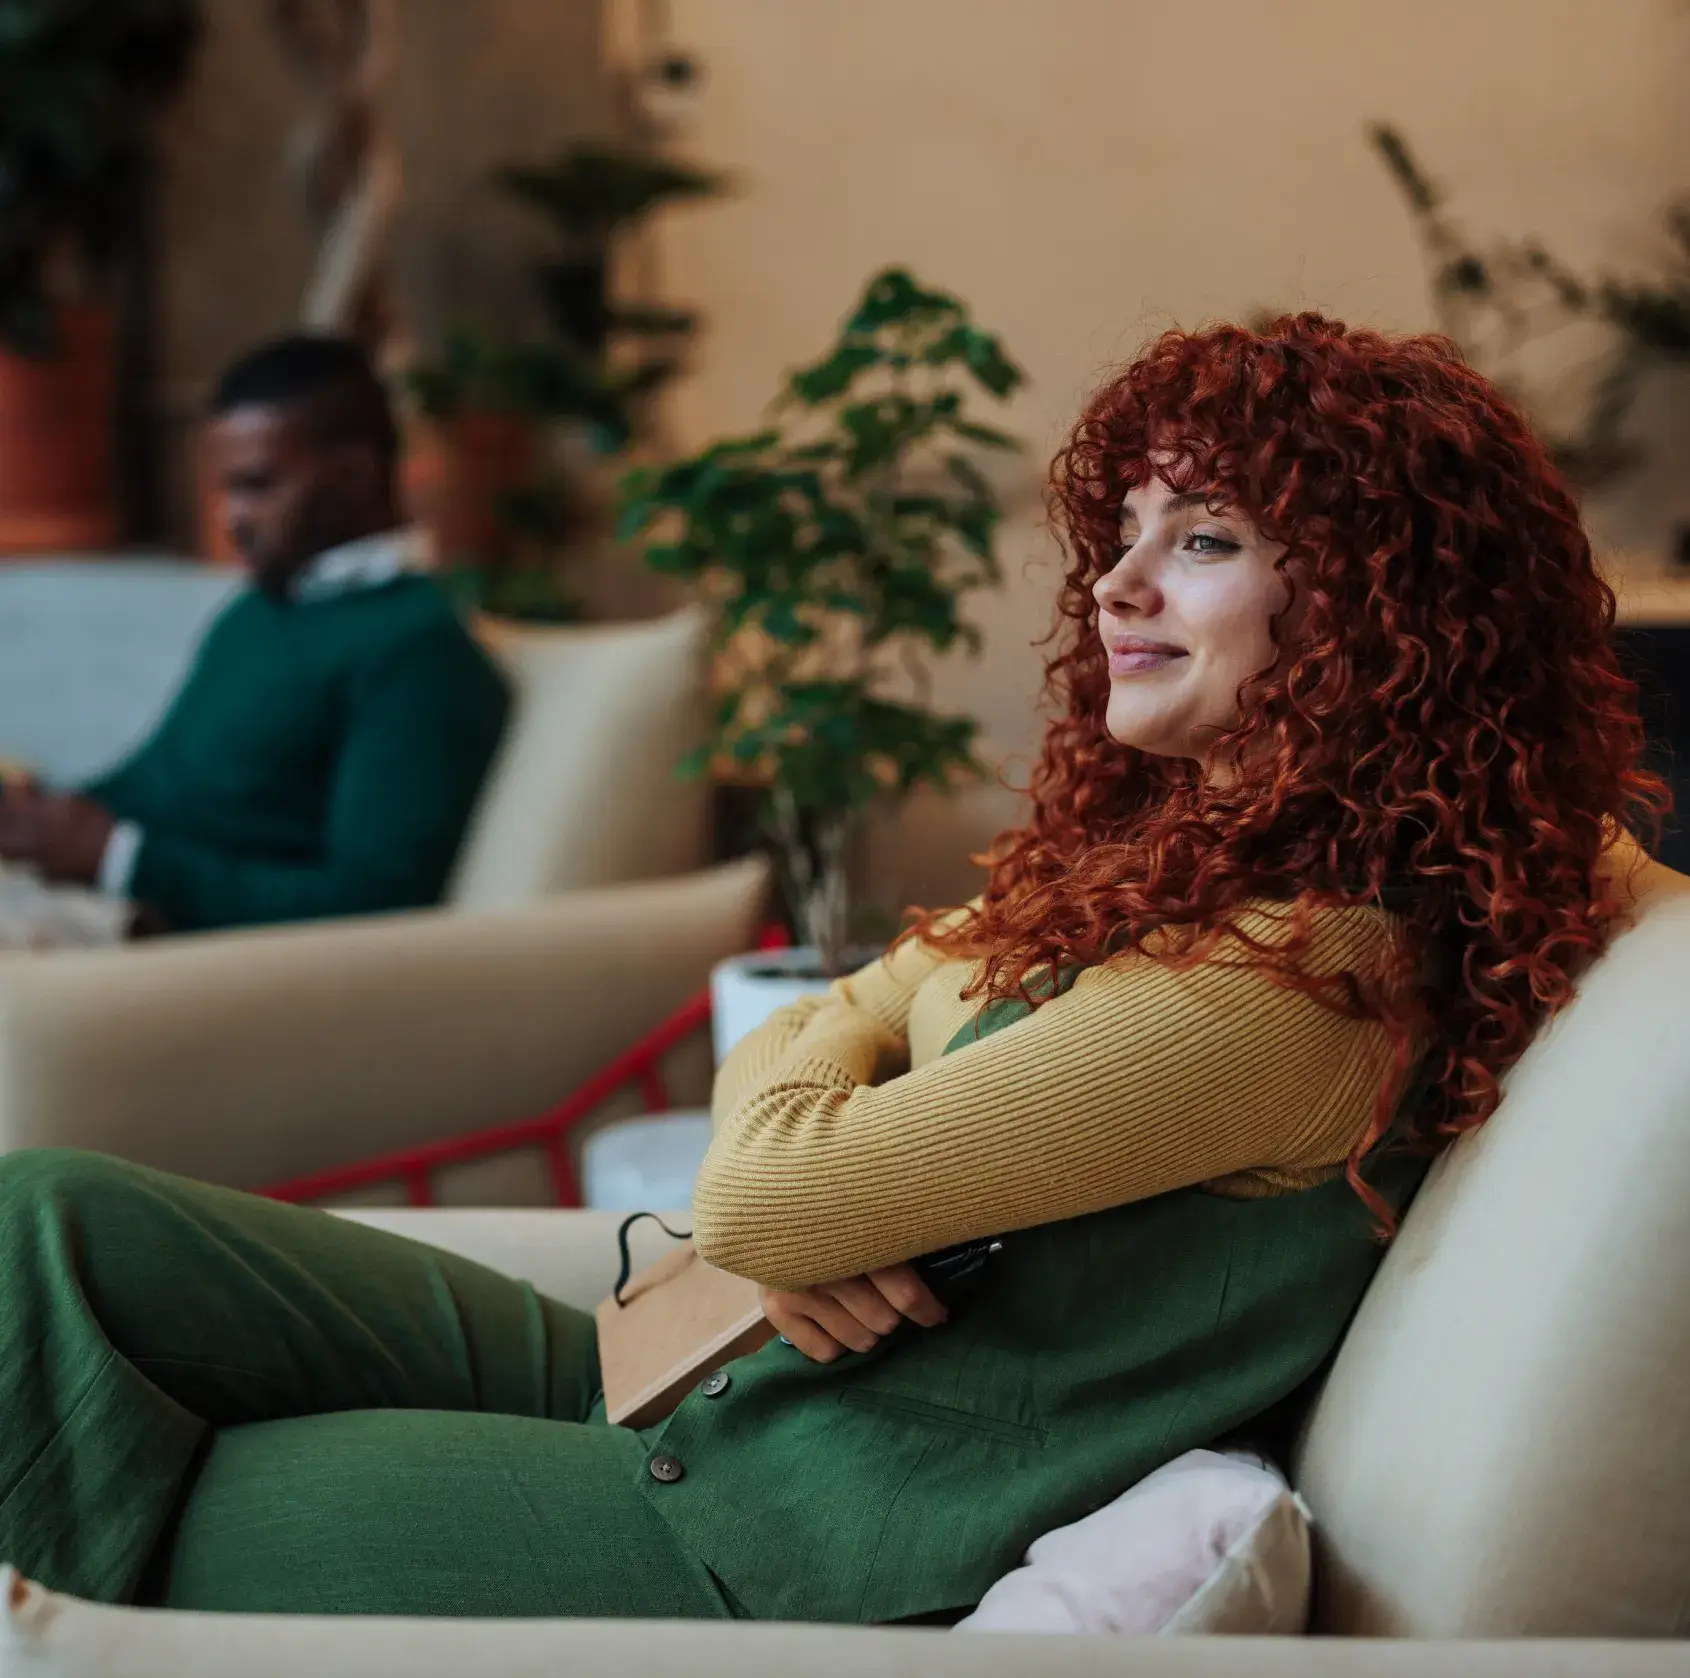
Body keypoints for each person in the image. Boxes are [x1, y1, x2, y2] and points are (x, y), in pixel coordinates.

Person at [0, 314, 1674, 1620]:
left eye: (1207, 537)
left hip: (767, 1524)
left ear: (1385, 608)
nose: (1120, 578)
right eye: (1131, 525)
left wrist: (840, 1129)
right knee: (42, 1224)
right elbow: (864, 998)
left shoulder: (1291, 984)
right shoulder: (1206, 862)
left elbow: (784, 1192)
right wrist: (846, 1081)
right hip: (704, 1365)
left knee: (121, 1472)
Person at [0, 334, 510, 940]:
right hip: (113, 919)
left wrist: (119, 858)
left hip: (213, 967)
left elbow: (377, 905)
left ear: (354, 476)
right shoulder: (262, 611)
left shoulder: (417, 650)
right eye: (225, 489)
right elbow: (157, 788)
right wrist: (36, 817)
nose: (229, 517)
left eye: (256, 486)